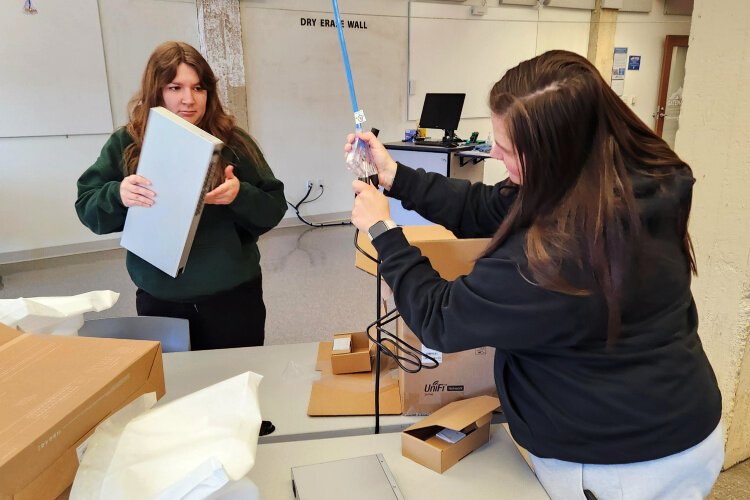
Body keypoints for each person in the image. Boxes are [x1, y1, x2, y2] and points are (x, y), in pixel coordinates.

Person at [346, 50, 722, 499]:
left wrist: (384, 232)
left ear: (554, 152)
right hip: (672, 421)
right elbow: (483, 207)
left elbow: (440, 318)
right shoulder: (613, 178)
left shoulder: (560, 256)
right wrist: (394, 175)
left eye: (507, 149)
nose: (494, 155)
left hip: (625, 464)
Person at [76, 41, 286, 351]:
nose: (188, 100)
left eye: (198, 88)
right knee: (173, 389)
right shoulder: (127, 141)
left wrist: (240, 194)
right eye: (175, 87)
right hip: (160, 300)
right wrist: (118, 194)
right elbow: (87, 208)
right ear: (156, 90)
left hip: (232, 299)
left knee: (237, 383)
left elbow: (273, 207)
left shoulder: (233, 142)